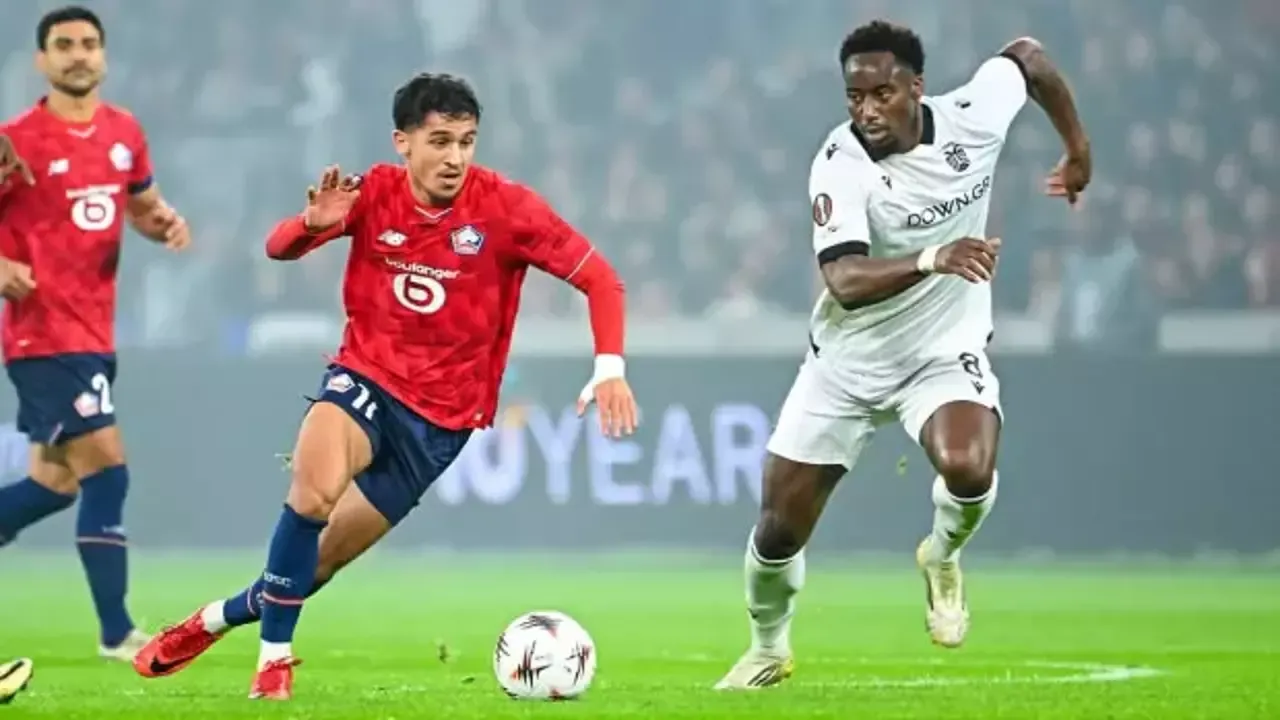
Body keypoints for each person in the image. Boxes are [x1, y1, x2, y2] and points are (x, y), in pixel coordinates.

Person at [132, 72, 637, 701]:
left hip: (442, 424)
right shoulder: (371, 192)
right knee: (311, 495)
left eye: (467, 142)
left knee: (313, 565)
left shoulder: (507, 208)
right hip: (366, 378)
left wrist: (609, 367)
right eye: (440, 141)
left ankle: (210, 621)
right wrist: (310, 225)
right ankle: (273, 666)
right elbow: (277, 248)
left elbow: (601, 280)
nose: (455, 157)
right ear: (404, 141)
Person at [715, 20, 1090, 689]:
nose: (865, 110)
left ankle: (941, 555)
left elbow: (1028, 58)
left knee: (968, 466)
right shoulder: (840, 163)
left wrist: (1077, 149)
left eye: (881, 94)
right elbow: (843, 279)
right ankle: (768, 649)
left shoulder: (973, 116)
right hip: (845, 366)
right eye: (854, 97)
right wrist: (933, 257)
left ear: (917, 87)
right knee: (777, 531)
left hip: (942, 352)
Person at [0, 5, 190, 662]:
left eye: (88, 43)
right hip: (43, 335)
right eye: (63, 45)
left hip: (93, 332)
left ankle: (115, 630)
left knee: (53, 485)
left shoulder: (124, 132)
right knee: (107, 470)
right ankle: (117, 633)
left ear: (103, 56)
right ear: (41, 60)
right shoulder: (15, 141)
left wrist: (161, 223)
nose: (78, 54)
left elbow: (139, 205)